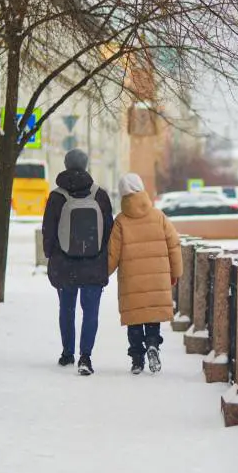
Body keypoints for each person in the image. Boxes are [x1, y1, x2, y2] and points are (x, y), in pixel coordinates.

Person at [42, 148, 114, 376]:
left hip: (65, 264)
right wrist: (101, 256)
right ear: (85, 165)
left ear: (65, 165)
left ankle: (67, 353)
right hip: (93, 264)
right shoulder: (99, 195)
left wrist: (51, 256)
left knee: (67, 308)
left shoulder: (56, 197)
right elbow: (109, 231)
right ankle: (86, 356)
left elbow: (48, 232)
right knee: (91, 311)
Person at [108, 172, 184, 375]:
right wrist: (175, 272)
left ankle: (136, 360)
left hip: (131, 282)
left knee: (134, 320)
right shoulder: (159, 217)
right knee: (152, 315)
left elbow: (112, 253)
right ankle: (152, 344)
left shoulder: (121, 221)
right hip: (157, 279)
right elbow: (174, 245)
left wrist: (102, 274)